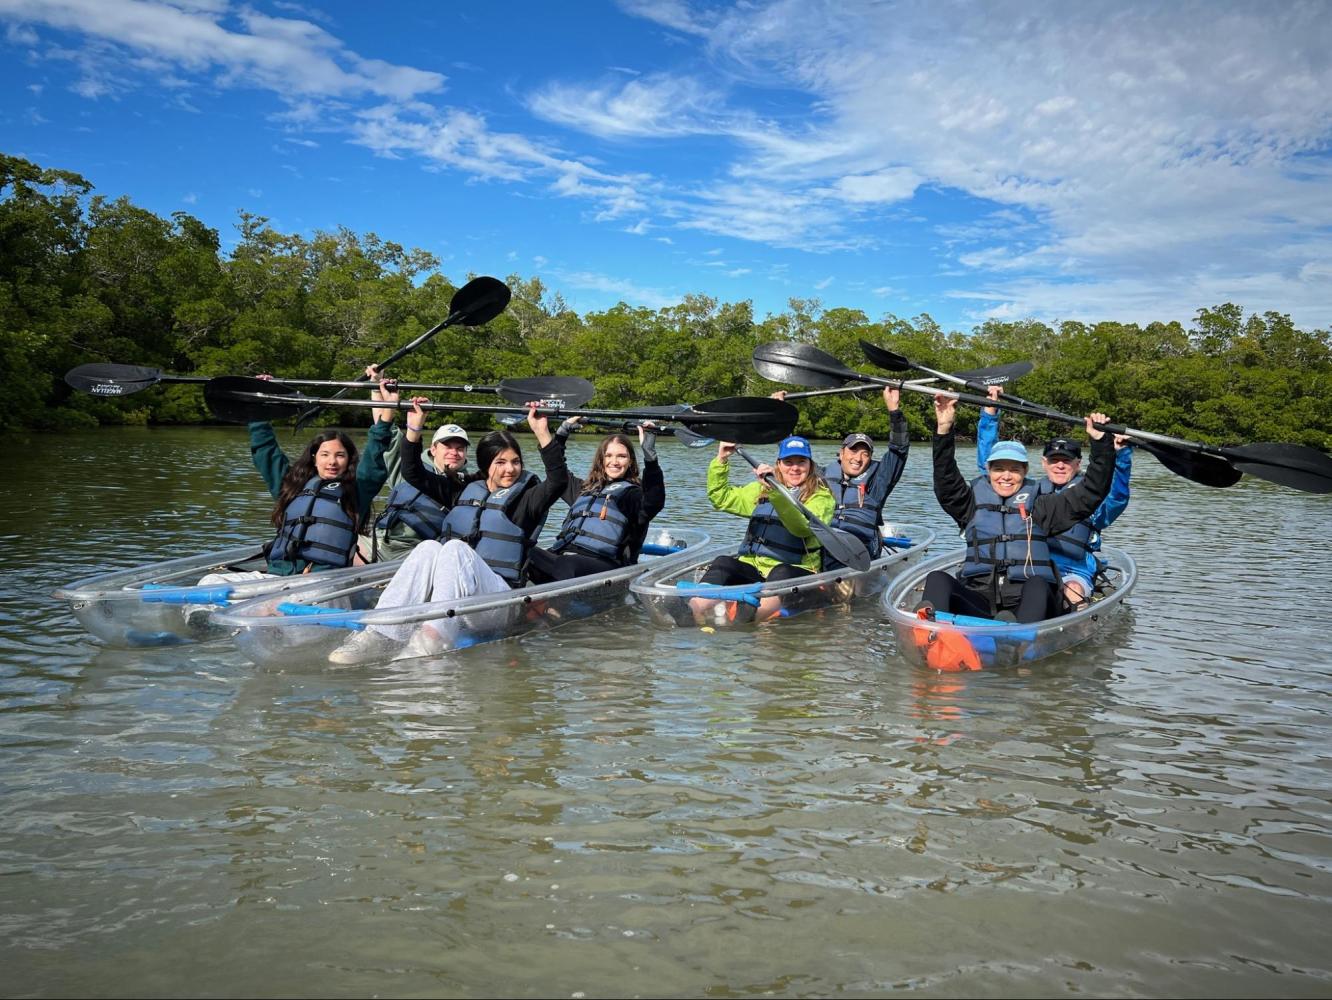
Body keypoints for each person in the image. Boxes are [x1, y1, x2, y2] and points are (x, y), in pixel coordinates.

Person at [328, 403, 569, 664]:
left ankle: (432, 638)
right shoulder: (461, 491)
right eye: (500, 462)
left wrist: (542, 431)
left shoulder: (528, 500)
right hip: (462, 603)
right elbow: (413, 473)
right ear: (487, 465)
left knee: (454, 548)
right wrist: (415, 428)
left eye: (515, 462)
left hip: (499, 604)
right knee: (429, 547)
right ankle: (380, 631)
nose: (509, 469)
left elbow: (558, 481)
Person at [923, 393, 1115, 623]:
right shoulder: (971, 503)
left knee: (1037, 584)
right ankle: (932, 641)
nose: (1006, 476)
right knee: (937, 579)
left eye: (1014, 469)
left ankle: (1018, 642)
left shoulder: (1042, 506)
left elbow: (1092, 492)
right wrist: (944, 429)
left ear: (1024, 473)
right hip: (981, 598)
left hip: (1028, 603)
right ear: (989, 471)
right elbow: (945, 479)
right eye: (999, 469)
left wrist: (1101, 443)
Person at [976, 386, 1132, 608]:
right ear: (1043, 463)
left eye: (1066, 460)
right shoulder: (1026, 492)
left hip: (1072, 570)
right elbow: (990, 468)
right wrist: (990, 414)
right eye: (1054, 460)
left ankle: (1071, 626)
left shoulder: (1091, 498)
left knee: (1075, 592)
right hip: (1027, 564)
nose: (1060, 465)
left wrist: (1122, 455)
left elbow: (1117, 497)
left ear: (1078, 464)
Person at [687, 435, 834, 624]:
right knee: (724, 562)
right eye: (788, 462)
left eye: (801, 462)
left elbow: (801, 528)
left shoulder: (822, 497)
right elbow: (721, 498)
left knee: (781, 572)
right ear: (779, 464)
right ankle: (693, 609)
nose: (795, 468)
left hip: (797, 573)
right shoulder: (760, 489)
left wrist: (775, 492)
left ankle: (748, 619)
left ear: (810, 465)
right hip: (754, 569)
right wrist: (721, 459)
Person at [526, 420, 666, 583]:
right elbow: (557, 470)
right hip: (563, 556)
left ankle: (553, 607)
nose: (614, 461)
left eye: (621, 456)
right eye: (609, 455)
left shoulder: (633, 495)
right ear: (601, 459)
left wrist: (649, 455)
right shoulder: (584, 489)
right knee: (522, 548)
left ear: (630, 462)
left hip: (607, 567)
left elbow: (654, 501)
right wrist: (562, 433)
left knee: (567, 564)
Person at [821, 386, 910, 569]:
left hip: (859, 553)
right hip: (823, 548)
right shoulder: (821, 476)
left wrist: (894, 410)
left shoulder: (878, 482)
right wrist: (778, 412)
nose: (858, 458)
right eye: (853, 450)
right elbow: (791, 463)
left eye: (865, 454)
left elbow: (899, 449)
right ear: (841, 453)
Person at [363, 414, 472, 561]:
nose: (454, 453)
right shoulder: (409, 469)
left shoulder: (468, 488)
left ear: (466, 454)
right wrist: (380, 395)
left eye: (460, 449)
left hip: (418, 553)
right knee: (340, 540)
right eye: (447, 446)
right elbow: (386, 429)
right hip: (379, 542)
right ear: (433, 449)